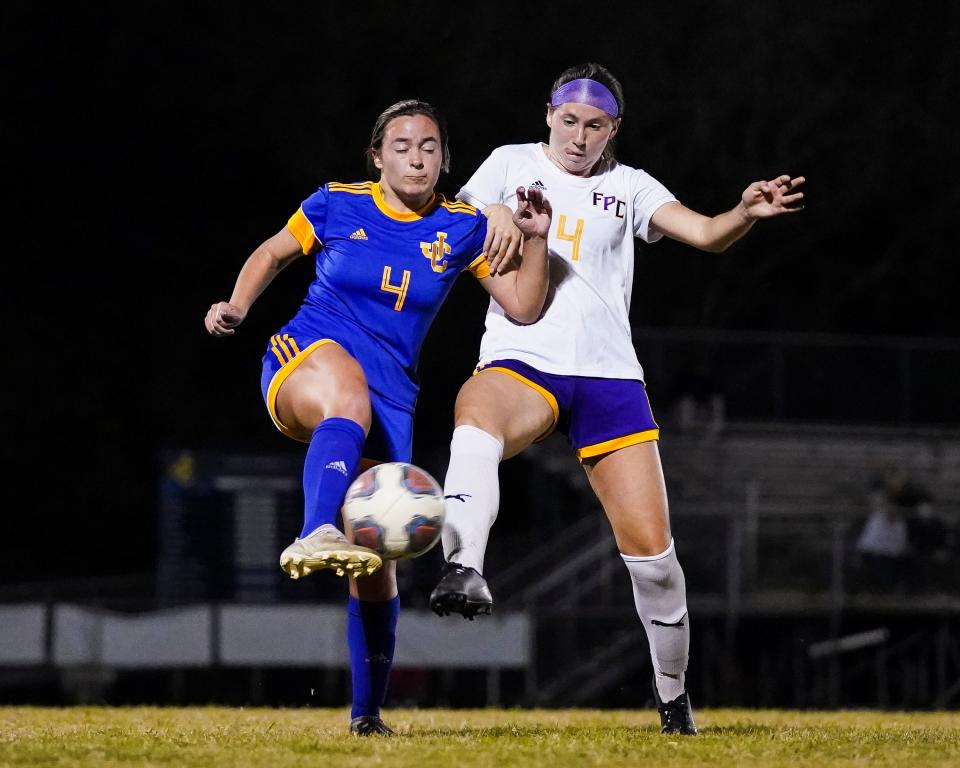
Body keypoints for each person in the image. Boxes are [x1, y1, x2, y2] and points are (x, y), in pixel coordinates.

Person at [428, 63, 805, 735]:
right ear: (548, 113)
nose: (578, 136)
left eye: (594, 125)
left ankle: (673, 700)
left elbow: (705, 233)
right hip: (524, 362)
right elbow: (460, 213)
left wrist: (744, 212)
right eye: (568, 121)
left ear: (614, 129)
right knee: (474, 412)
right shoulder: (508, 164)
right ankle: (463, 567)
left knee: (655, 563)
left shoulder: (628, 185)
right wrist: (485, 208)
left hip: (608, 381)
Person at [204, 99, 551, 735]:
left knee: (377, 557)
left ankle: (367, 717)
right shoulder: (337, 203)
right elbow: (274, 251)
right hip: (308, 357)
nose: (415, 157)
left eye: (428, 147)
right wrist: (237, 302)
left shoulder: (463, 226)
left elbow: (525, 307)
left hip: (393, 400)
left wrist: (534, 237)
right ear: (377, 156)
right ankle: (313, 529)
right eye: (401, 146)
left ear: (445, 157)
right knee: (347, 395)